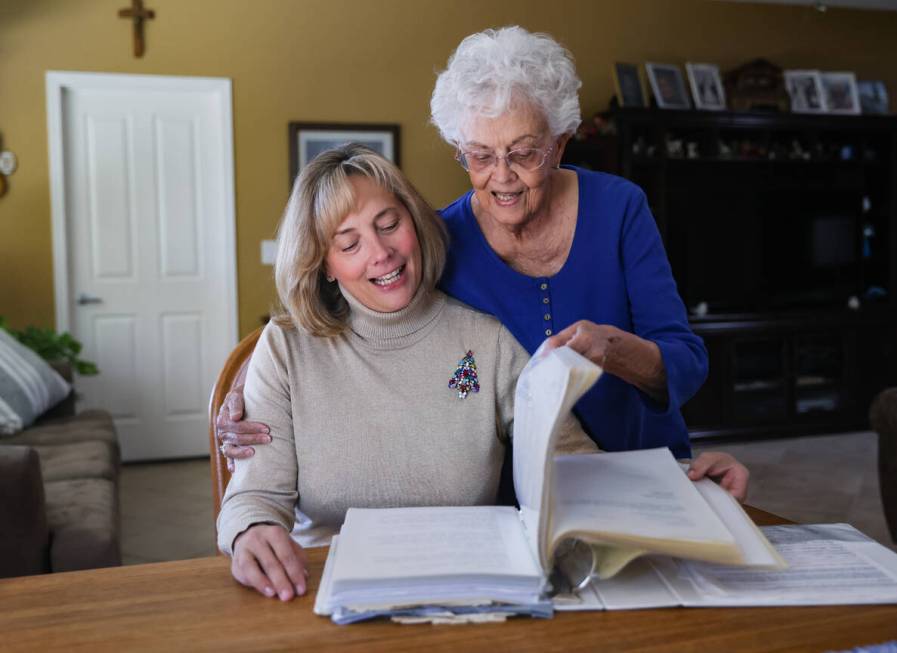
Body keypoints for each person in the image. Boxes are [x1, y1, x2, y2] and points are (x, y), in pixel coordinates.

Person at [217, 26, 749, 501]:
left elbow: (685, 360)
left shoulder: (619, 209)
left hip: (639, 470)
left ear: (560, 143)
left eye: (522, 153)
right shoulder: (441, 240)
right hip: (515, 499)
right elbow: (361, 314)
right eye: (479, 154)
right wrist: (248, 381)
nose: (501, 176)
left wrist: (614, 349)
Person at [217, 144, 598, 602]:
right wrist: (250, 531)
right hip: (319, 587)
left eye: (389, 224)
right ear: (326, 265)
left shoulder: (488, 340)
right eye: (350, 243)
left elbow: (572, 459)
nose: (380, 253)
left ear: (414, 221)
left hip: (465, 586)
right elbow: (255, 495)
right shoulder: (285, 349)